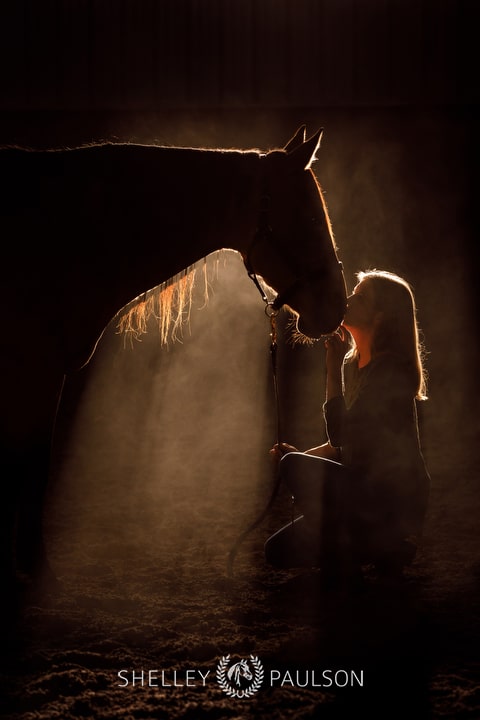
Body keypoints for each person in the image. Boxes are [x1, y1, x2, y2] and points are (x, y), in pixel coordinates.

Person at [264, 269, 430, 585]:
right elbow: (345, 443)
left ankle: (379, 543)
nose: (348, 299)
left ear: (380, 318)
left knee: (294, 468)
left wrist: (330, 370)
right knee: (277, 552)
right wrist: (301, 457)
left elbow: (340, 433)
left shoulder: (390, 372)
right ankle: (379, 549)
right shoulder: (353, 364)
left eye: (359, 296)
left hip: (389, 500)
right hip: (360, 492)